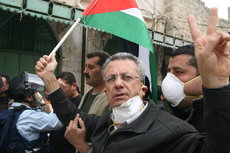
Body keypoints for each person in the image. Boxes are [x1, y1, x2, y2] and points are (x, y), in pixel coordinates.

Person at [35, 8, 230, 153]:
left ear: (142, 89)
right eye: (111, 79)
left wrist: (215, 82)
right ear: (106, 90)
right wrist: (49, 78)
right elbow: (70, 114)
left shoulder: (172, 132)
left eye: (127, 77)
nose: (118, 83)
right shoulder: (104, 123)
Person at [0, 72, 63, 153]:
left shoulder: (12, 110)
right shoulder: (29, 116)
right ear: (29, 97)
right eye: (36, 92)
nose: (38, 94)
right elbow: (59, 121)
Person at [161, 44, 205, 131]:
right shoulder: (162, 118)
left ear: (202, 76)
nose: (169, 79)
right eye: (169, 72)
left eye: (179, 72)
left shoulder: (220, 118)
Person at [50, 72, 82, 153]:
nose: (59, 92)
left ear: (74, 86)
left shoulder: (82, 102)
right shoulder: (59, 103)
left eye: (61, 88)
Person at [78, 51, 110, 115]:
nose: (85, 72)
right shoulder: (86, 95)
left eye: (91, 67)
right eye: (86, 67)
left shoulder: (110, 98)